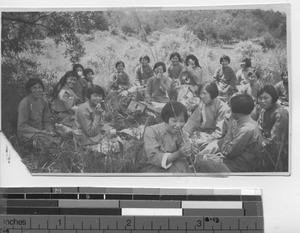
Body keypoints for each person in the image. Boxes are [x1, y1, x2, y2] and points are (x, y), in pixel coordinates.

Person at [195, 94, 262, 173]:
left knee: (200, 161)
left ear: (237, 112)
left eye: (231, 109)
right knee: (205, 154)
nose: (230, 110)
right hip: (237, 161)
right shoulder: (250, 123)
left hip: (239, 167)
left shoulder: (246, 129)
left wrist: (229, 127)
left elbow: (227, 152)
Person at [141, 101, 192, 173]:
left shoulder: (181, 132)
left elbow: (185, 149)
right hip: (153, 168)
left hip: (174, 165)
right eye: (174, 121)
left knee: (183, 164)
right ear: (166, 119)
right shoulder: (151, 131)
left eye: (182, 121)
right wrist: (178, 153)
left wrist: (189, 151)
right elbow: (154, 158)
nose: (178, 125)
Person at [74, 85, 121, 154]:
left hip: (96, 133)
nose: (98, 98)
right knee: (112, 148)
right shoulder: (83, 110)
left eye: (100, 96)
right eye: (95, 96)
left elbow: (101, 123)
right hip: (85, 137)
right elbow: (90, 133)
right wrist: (97, 115)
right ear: (88, 97)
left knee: (117, 139)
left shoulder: (96, 105)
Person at [183, 82, 230, 147]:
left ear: (212, 93)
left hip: (215, 138)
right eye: (201, 93)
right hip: (203, 133)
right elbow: (193, 121)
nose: (201, 96)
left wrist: (205, 140)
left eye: (204, 93)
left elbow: (219, 133)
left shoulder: (222, 108)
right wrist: (185, 134)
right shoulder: (203, 104)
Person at [17, 78, 58, 147]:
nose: (37, 90)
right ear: (30, 89)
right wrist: (39, 131)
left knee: (57, 139)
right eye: (34, 88)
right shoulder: (25, 103)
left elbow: (47, 120)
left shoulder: (43, 101)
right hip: (28, 134)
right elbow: (22, 126)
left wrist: (50, 131)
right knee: (49, 143)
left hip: (41, 132)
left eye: (39, 87)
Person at [257, 85, 289, 172]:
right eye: (260, 98)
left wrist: (260, 142)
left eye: (266, 98)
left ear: (273, 98)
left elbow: (276, 138)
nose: (262, 101)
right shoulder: (264, 110)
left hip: (278, 149)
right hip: (264, 143)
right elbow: (258, 128)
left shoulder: (280, 113)